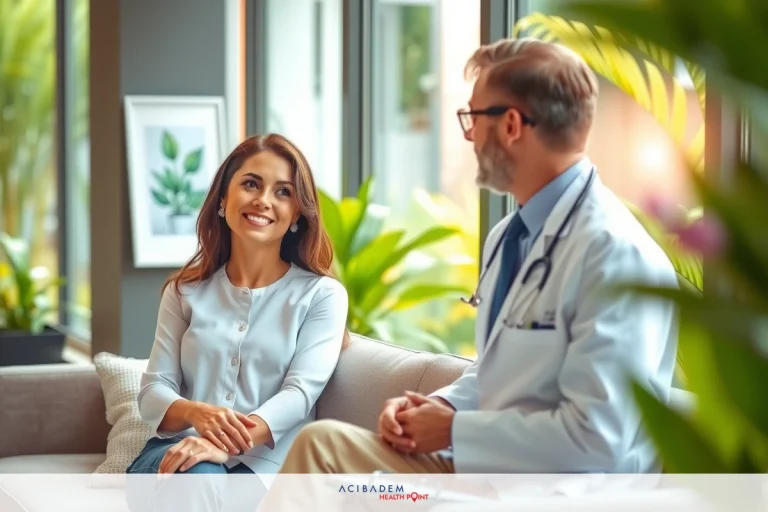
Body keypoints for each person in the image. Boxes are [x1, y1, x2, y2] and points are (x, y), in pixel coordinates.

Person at [264, 36, 679, 493]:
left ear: (512, 126)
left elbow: (599, 440)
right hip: (488, 470)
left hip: (566, 490)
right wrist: (429, 408)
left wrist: (453, 432)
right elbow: (496, 375)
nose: (469, 136)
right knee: (321, 446)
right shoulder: (510, 237)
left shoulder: (614, 254)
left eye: (473, 118)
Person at [125, 133, 349, 511]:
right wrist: (198, 413)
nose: (263, 200)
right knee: (197, 476)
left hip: (266, 468)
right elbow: (153, 391)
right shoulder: (185, 291)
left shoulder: (322, 295)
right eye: (250, 184)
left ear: (297, 214)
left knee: (211, 480)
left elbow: (299, 395)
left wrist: (219, 442)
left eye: (283, 192)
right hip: (174, 454)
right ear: (223, 200)